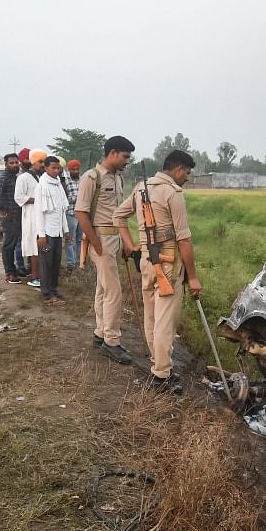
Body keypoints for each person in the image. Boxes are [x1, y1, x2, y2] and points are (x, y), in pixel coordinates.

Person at [114, 150, 202, 394]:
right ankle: (162, 374)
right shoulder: (172, 193)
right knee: (164, 321)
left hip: (146, 259)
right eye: (187, 173)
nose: (186, 178)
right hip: (169, 261)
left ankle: (157, 363)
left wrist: (130, 245)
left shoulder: (141, 188)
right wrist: (192, 277)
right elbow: (184, 240)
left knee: (151, 316)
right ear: (178, 170)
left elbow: (118, 216)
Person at [75, 135, 136, 365]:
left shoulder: (118, 179)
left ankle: (101, 333)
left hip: (114, 240)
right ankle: (112, 341)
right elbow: (81, 213)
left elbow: (119, 215)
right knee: (114, 292)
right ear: (112, 153)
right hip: (101, 239)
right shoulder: (91, 178)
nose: (127, 161)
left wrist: (124, 242)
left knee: (103, 289)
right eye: (125, 156)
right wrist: (97, 244)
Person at [35, 156, 69, 306]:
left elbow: (62, 210)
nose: (56, 170)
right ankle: (47, 294)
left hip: (58, 232)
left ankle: (54, 290)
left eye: (58, 168)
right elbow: (38, 213)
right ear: (46, 168)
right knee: (46, 264)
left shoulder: (58, 185)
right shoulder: (41, 186)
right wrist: (41, 235)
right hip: (46, 233)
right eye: (53, 168)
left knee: (56, 263)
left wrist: (66, 231)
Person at [14, 149, 46, 288]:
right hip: (31, 217)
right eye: (40, 161)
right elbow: (18, 197)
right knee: (34, 248)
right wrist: (37, 200)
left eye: (44, 161)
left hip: (42, 216)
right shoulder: (23, 178)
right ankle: (34, 277)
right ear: (33, 162)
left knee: (42, 247)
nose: (43, 164)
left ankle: (42, 276)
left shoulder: (42, 177)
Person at [0, 152, 25, 283]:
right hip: (9, 218)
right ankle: (9, 273)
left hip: (18, 216)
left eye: (16, 162)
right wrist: (2, 211)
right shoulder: (3, 177)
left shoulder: (15, 177)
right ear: (6, 164)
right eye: (12, 163)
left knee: (15, 243)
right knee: (8, 246)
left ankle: (15, 269)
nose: (15, 165)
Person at [62, 159, 82, 270]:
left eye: (77, 169)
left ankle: (79, 262)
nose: (75, 171)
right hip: (70, 213)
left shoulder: (82, 180)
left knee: (80, 239)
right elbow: (65, 198)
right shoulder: (66, 181)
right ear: (69, 170)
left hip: (81, 214)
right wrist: (77, 199)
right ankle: (71, 263)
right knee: (70, 240)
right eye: (73, 169)